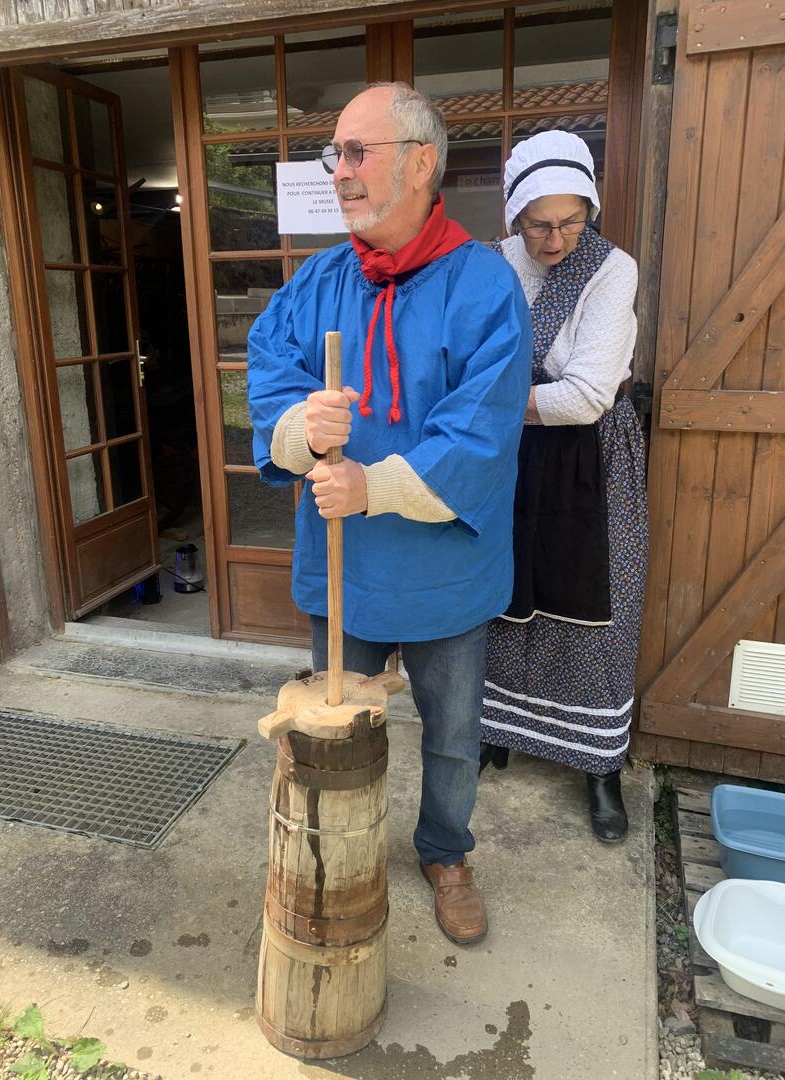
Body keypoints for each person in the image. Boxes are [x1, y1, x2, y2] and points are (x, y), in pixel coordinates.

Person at [247, 83, 532, 944]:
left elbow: (481, 431)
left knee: (452, 732)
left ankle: (445, 852)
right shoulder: (317, 283)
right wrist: (302, 428)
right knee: (340, 728)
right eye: (334, 154)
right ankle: (339, 843)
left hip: (448, 566)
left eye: (357, 152)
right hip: (348, 561)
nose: (340, 171)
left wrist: (374, 485)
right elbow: (270, 369)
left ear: (420, 163)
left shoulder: (486, 287)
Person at [478, 130, 648, 843]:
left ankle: (600, 765)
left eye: (571, 222)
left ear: (590, 209)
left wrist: (487, 400)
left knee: (595, 603)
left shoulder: (611, 269)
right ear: (514, 215)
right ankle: (495, 730)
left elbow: (584, 398)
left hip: (589, 458)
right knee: (503, 591)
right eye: (539, 224)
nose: (556, 239)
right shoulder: (492, 264)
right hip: (509, 456)